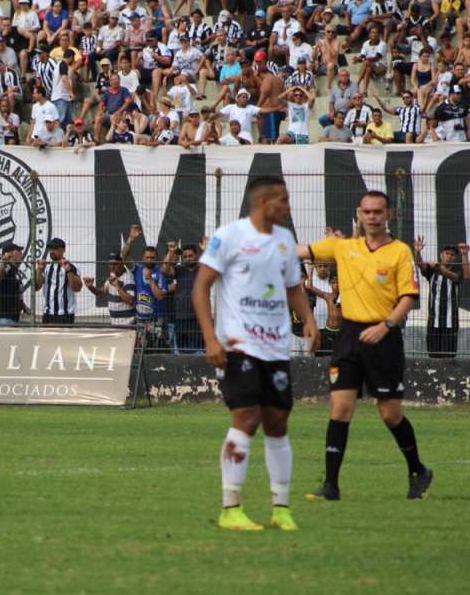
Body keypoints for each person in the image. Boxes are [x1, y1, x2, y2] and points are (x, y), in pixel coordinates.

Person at [192, 175, 319, 532]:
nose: (288, 206)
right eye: (283, 200)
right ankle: (230, 507)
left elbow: (293, 287)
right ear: (264, 203)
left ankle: (281, 507)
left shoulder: (284, 240)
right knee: (246, 418)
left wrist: (308, 319)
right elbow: (201, 287)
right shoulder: (230, 236)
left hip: (275, 346)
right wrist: (210, 339)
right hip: (238, 345)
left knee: (278, 424)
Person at [298, 191, 432, 501]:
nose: (372, 217)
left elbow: (409, 297)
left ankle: (418, 470)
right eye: (367, 212)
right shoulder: (342, 247)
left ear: (388, 216)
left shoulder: (399, 252)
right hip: (348, 336)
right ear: (359, 214)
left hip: (384, 337)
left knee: (390, 413)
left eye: (378, 212)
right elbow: (297, 251)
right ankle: (331, 486)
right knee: (340, 408)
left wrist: (385, 326)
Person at [413, 238, 470, 358]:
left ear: (455, 258)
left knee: (449, 356)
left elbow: (461, 276)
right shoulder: (432, 270)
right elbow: (420, 265)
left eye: (452, 255)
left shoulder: (456, 271)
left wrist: (464, 255)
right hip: (434, 321)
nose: (449, 256)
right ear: (441, 255)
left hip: (451, 322)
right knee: (433, 355)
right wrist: (417, 252)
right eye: (447, 253)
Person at [162, 242, 202, 353]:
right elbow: (164, 269)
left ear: (196, 256)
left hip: (197, 318)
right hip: (180, 317)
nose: (188, 259)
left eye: (190, 256)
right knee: (182, 352)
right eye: (185, 257)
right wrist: (170, 252)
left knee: (197, 352)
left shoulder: (203, 269)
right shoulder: (179, 269)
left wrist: (206, 250)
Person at [34, 237, 82, 324]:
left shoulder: (72, 266)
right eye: (50, 248)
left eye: (55, 248)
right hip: (48, 314)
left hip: (65, 314)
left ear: (63, 250)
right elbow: (36, 287)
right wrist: (39, 271)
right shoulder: (46, 267)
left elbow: (77, 288)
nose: (51, 251)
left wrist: (68, 271)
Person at [83, 253, 135, 327]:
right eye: (110, 264)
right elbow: (103, 291)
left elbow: (130, 300)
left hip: (128, 325)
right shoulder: (113, 275)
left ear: (122, 263)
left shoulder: (128, 278)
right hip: (115, 325)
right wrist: (91, 287)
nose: (112, 267)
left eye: (115, 264)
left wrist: (117, 286)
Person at [0, 242, 28, 325]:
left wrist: (24, 307)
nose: (21, 254)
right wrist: (3, 264)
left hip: (13, 318)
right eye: (19, 251)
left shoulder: (14, 270)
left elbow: (14, 292)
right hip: (5, 318)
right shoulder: (7, 267)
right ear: (9, 254)